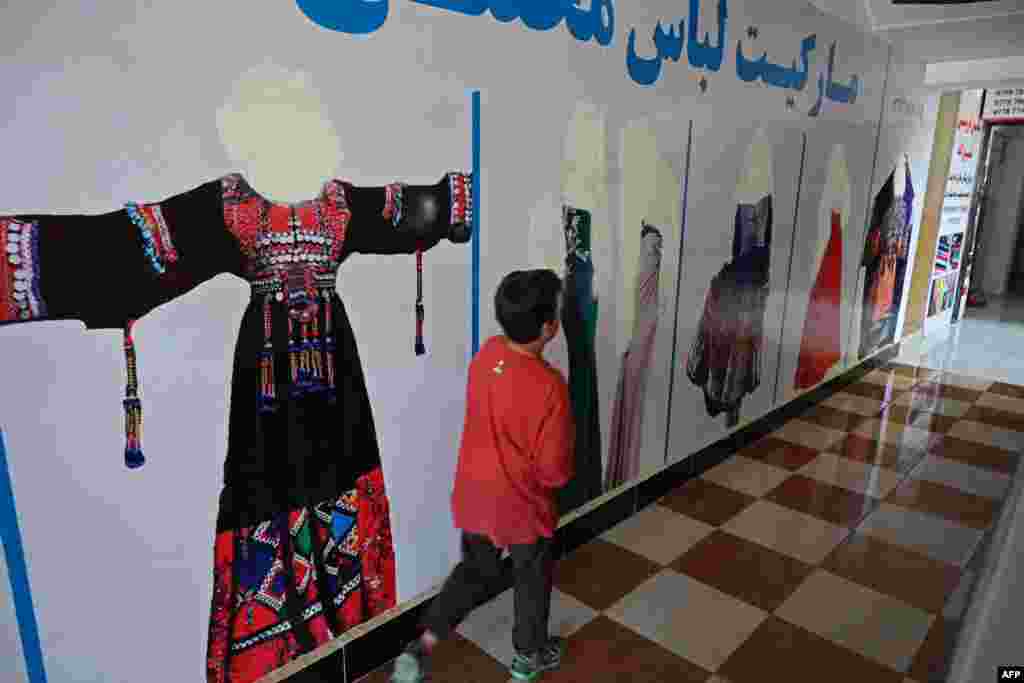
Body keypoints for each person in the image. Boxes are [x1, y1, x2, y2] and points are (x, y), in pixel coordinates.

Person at [391, 269, 576, 682]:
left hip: (475, 496)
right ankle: (528, 658)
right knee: (531, 578)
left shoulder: (488, 355)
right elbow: (553, 472)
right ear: (549, 328)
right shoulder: (551, 388)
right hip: (523, 508)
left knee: (474, 572)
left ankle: (419, 648)